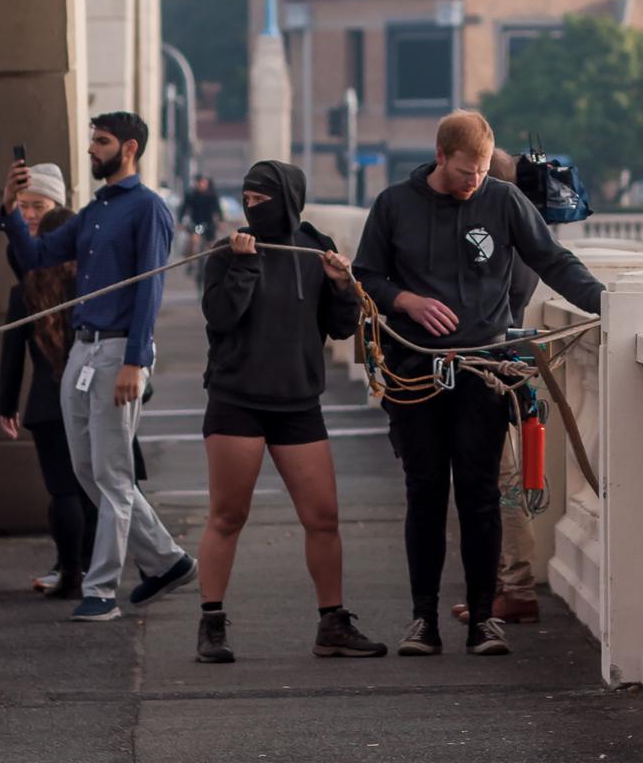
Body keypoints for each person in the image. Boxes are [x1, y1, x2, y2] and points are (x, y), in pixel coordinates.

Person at [352, 111, 605, 656]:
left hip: (483, 370)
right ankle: (423, 620)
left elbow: (553, 260)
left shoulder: (503, 200)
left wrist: (610, 302)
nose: (474, 182)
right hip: (417, 371)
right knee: (424, 494)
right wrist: (406, 300)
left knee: (481, 496)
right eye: (466, 171)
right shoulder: (396, 204)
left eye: (484, 171)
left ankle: (484, 619)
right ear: (440, 157)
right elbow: (365, 274)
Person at [0, 112, 197, 621]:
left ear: (128, 148)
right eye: (92, 141)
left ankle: (102, 588)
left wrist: (136, 360)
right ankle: (169, 561)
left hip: (115, 351)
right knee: (91, 471)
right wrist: (9, 209)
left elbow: (151, 289)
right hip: (80, 353)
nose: (91, 150)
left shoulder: (148, 209)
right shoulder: (94, 210)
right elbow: (36, 256)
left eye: (100, 142)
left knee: (111, 473)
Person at [196, 160, 387, 663]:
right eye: (246, 200)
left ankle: (333, 624)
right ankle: (211, 623)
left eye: (262, 200)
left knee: (323, 517)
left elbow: (341, 329)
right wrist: (242, 265)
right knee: (228, 515)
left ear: (287, 199)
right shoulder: (226, 252)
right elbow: (219, 318)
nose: (251, 208)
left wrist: (343, 286)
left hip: (298, 402)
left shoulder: (312, 249)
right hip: (237, 400)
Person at [451, 148, 542, 627]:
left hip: (491, 372)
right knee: (497, 483)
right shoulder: (516, 238)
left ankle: (517, 586)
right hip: (497, 369)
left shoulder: (502, 239)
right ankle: (504, 587)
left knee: (502, 485)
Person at [0, 207, 98, 599]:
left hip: (45, 403)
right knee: (92, 487)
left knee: (62, 492)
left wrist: (6, 405)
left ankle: (70, 572)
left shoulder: (25, 289)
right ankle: (95, 569)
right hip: (89, 397)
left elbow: (11, 355)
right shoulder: (90, 284)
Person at [179, 174, 224, 249]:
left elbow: (217, 208)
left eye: (204, 182)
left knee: (211, 245)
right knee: (194, 241)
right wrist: (181, 221)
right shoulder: (191, 195)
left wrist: (221, 220)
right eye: (199, 183)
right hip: (197, 224)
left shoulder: (212, 195)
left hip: (209, 223)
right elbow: (184, 208)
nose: (201, 185)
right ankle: (191, 258)